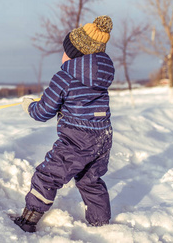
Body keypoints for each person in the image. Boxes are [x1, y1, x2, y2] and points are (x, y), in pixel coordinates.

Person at [14, 16, 115, 233]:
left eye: (65, 51)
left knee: (47, 175)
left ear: (75, 54)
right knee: (91, 181)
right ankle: (101, 225)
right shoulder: (101, 79)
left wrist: (30, 106)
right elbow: (81, 101)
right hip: (103, 137)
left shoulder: (65, 76)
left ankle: (28, 220)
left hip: (76, 140)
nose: (62, 55)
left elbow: (44, 112)